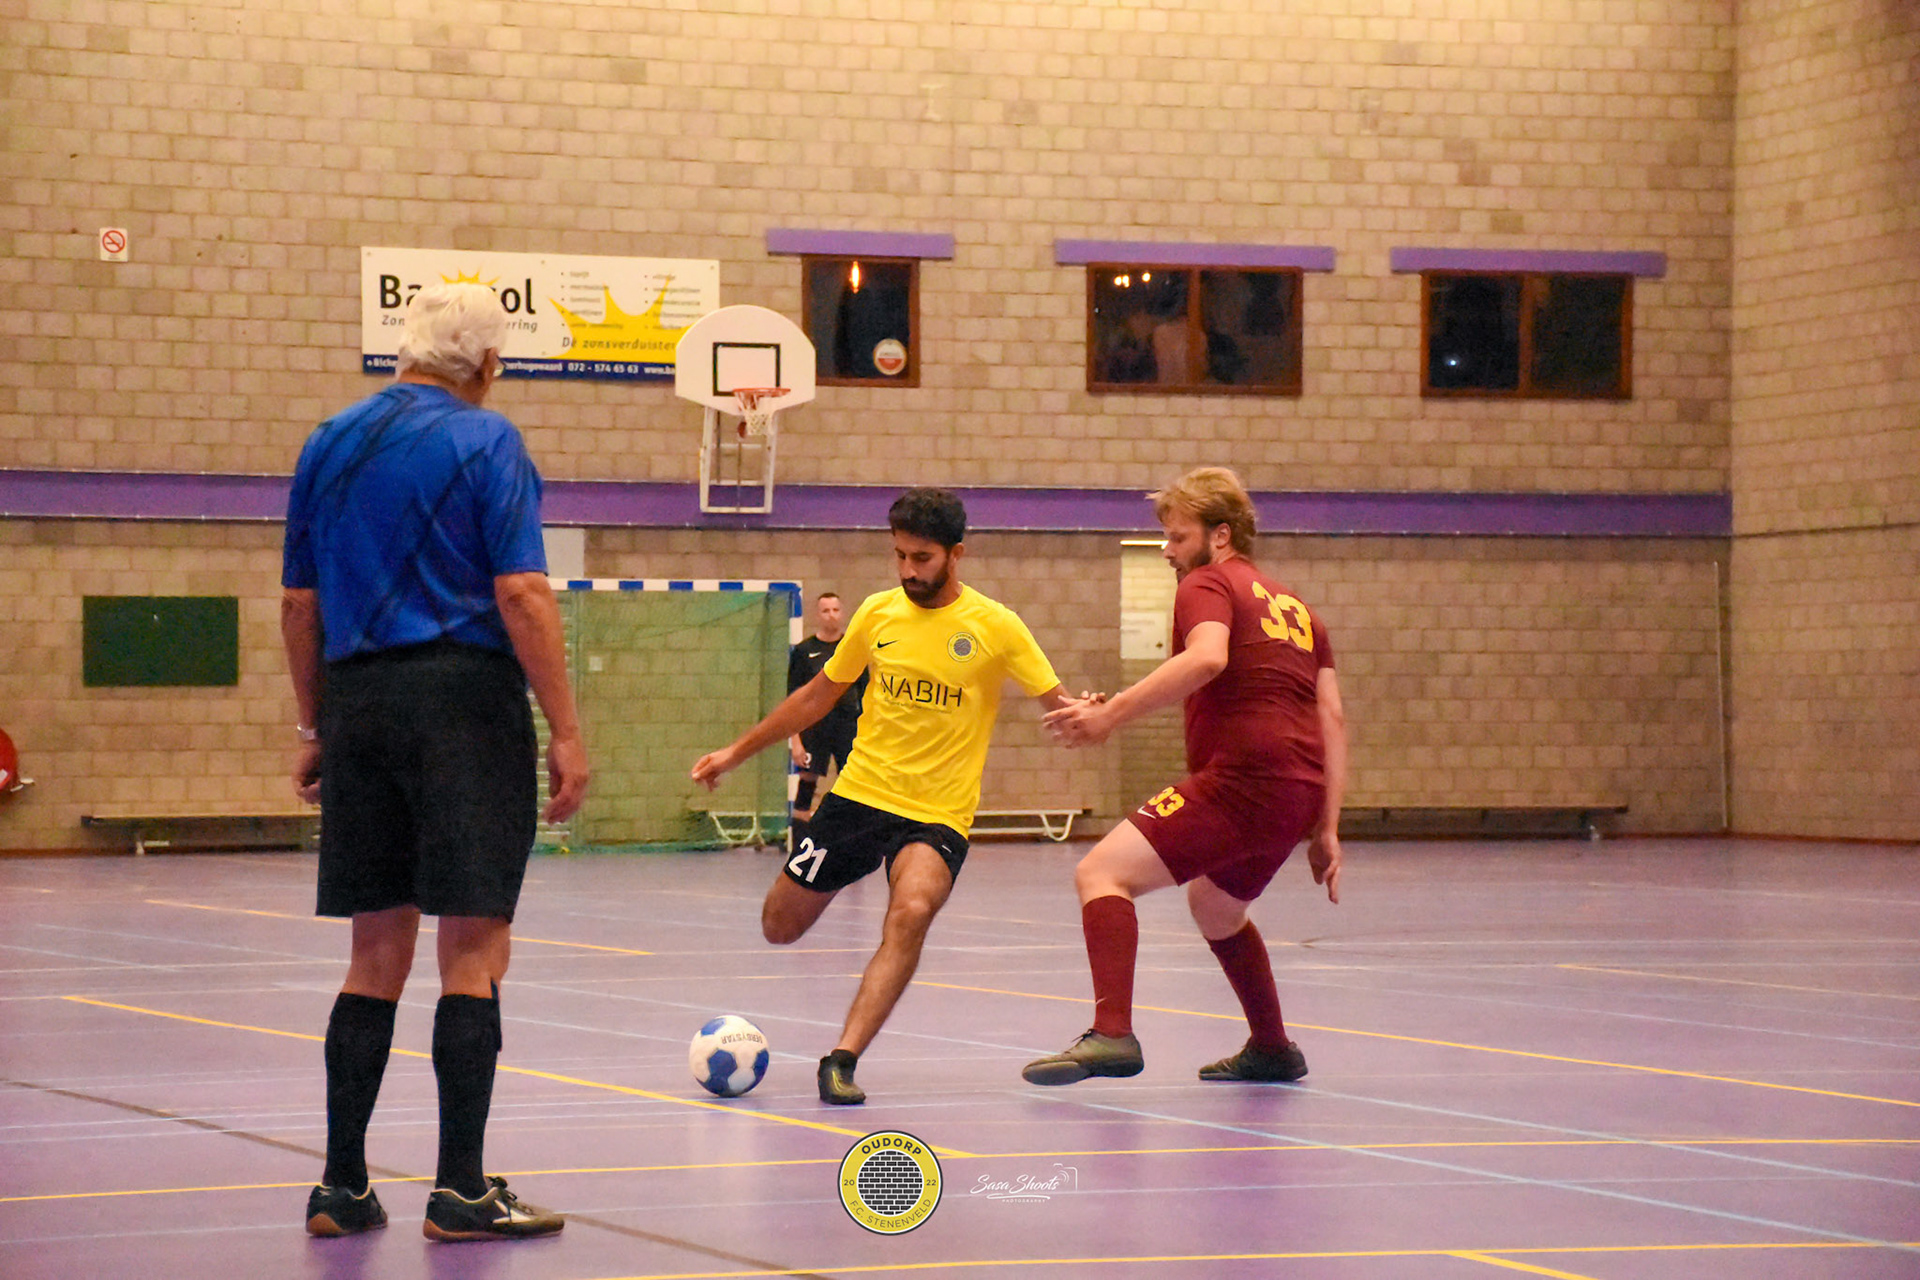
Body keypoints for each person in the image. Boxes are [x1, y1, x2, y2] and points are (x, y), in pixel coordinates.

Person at [282, 282, 590, 1242]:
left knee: (375, 949)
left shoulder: (327, 441)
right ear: (488, 365)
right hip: (463, 704)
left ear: (405, 350)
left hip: (358, 704)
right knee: (473, 945)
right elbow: (522, 591)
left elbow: (298, 604)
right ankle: (460, 1189)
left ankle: (340, 1187)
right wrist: (565, 729)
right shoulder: (486, 440)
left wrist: (315, 725)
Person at [692, 488, 1081, 1105]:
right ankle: (849, 869)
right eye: (899, 555)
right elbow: (818, 695)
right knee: (778, 926)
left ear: (956, 554)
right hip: (860, 796)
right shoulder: (877, 614)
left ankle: (841, 1060)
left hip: (936, 813)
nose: (907, 570)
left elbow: (1060, 704)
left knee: (911, 911)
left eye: (921, 558)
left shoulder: (997, 626)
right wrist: (736, 752)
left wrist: (1088, 713)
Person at [1024, 466, 1345, 1087]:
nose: (1167, 552)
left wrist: (1110, 716)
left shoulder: (1207, 582)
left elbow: (1206, 657)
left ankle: (1112, 1034)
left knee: (1101, 873)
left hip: (1245, 779)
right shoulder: (1300, 610)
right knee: (1216, 907)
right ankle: (1272, 1047)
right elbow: (1330, 715)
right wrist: (1327, 825)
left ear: (1220, 535)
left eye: (1177, 537)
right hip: (1298, 789)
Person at [786, 591, 869, 849]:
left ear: (842, 613)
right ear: (817, 615)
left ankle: (852, 846)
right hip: (815, 727)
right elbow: (793, 698)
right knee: (807, 783)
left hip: (847, 727)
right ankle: (799, 848)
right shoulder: (804, 651)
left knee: (853, 785)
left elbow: (867, 695)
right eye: (826, 610)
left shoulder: (852, 647)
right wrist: (796, 742)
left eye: (835, 610)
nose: (831, 615)